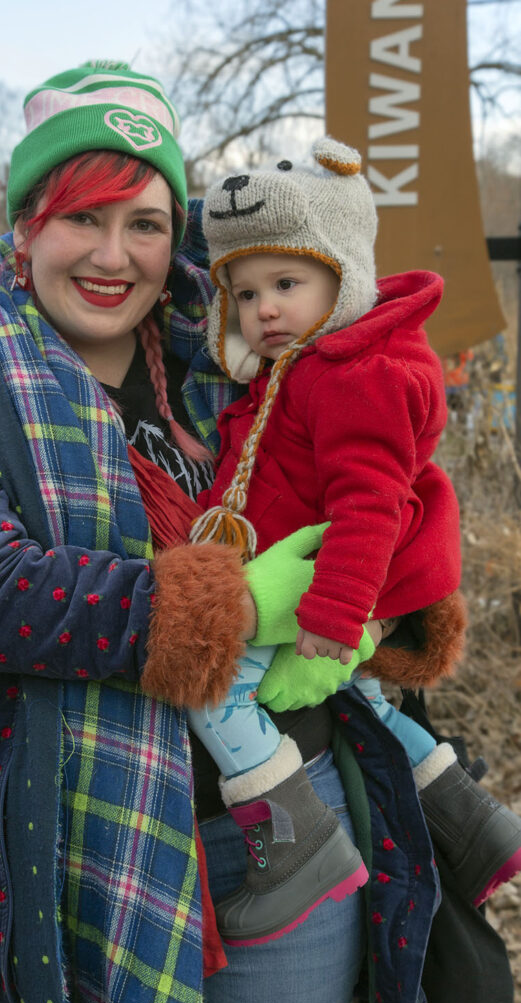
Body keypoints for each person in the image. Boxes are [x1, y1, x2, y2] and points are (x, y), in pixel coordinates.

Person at [0, 64, 473, 1003]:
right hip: (79, 849)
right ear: (26, 224)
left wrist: (392, 584)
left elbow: (387, 477)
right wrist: (242, 604)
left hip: (294, 825)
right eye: (81, 216)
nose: (113, 253)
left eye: (145, 222)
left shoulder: (234, 340)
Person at [181, 139, 521, 949]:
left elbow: (370, 501)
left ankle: (294, 850)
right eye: (246, 291)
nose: (265, 308)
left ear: (342, 274)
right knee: (361, 697)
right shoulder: (301, 366)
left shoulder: (351, 374)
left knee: (211, 693)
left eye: (287, 283)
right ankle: (471, 824)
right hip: (324, 577)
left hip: (324, 584)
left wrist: (336, 617)